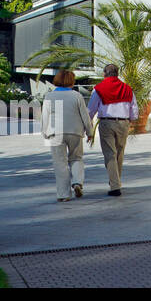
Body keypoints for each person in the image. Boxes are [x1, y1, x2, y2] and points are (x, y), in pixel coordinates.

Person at [88, 63, 139, 197]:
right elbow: (134, 108)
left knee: (109, 154)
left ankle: (115, 185)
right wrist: (132, 120)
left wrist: (87, 123)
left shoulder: (98, 89)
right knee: (119, 153)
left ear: (105, 74)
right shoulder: (127, 89)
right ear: (117, 74)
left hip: (106, 122)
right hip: (123, 123)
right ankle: (116, 182)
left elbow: (91, 108)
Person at [42, 70, 93, 202]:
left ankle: (64, 194)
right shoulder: (76, 96)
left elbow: (45, 117)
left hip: (55, 132)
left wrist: (45, 132)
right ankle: (77, 182)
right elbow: (85, 116)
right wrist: (90, 132)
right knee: (76, 158)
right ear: (71, 81)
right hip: (75, 131)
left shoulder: (49, 96)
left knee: (60, 163)